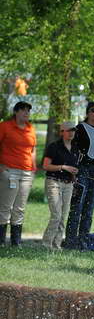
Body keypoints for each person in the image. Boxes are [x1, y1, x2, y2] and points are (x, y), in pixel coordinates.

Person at [63, 102, 94, 250]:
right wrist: (73, 172)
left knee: (89, 208)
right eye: (93, 111)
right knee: (77, 206)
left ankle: (83, 240)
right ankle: (71, 241)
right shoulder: (80, 128)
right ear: (87, 112)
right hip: (83, 168)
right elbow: (72, 150)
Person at [0, 101, 37, 246]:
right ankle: (1, 241)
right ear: (16, 112)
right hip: (9, 171)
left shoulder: (31, 129)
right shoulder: (5, 126)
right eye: (23, 110)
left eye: (28, 110)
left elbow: (33, 150)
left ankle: (16, 242)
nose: (26, 113)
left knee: (20, 208)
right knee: (5, 206)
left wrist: (33, 169)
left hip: (27, 173)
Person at [41, 121, 79, 250]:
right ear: (62, 132)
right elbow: (45, 166)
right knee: (56, 215)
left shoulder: (75, 148)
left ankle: (56, 245)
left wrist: (74, 175)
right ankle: (47, 244)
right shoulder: (54, 146)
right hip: (54, 181)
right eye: (68, 130)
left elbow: (73, 168)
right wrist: (63, 167)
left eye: (73, 130)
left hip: (69, 184)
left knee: (63, 216)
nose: (71, 133)